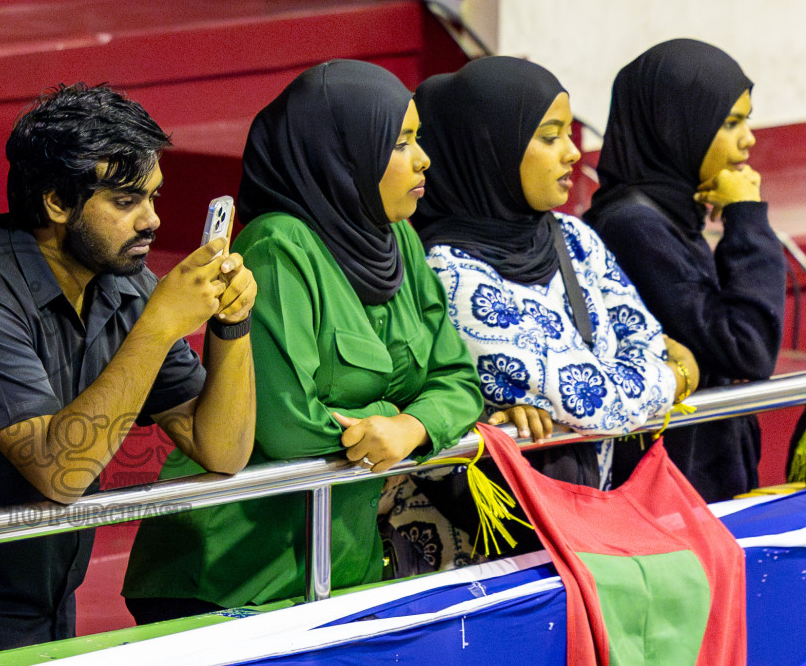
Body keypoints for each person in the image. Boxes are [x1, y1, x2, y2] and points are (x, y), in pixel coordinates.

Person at [0, 83, 257, 666]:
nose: (153, 221)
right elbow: (61, 472)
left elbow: (223, 449)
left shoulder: (124, 284)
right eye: (127, 201)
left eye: (154, 197)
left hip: (42, 602)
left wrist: (231, 327)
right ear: (57, 202)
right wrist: (159, 328)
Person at [123, 61, 483, 620]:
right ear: (344, 150)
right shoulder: (278, 246)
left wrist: (411, 426)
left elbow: (460, 380)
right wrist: (393, 415)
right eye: (402, 142)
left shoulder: (400, 241)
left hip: (339, 560)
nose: (423, 159)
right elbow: (288, 427)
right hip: (228, 571)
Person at [398, 56, 689, 569]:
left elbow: (644, 338)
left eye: (569, 134)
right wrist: (674, 377)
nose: (573, 153)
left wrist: (646, 369)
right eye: (550, 137)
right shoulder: (449, 270)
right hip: (491, 558)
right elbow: (596, 403)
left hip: (587, 529)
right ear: (491, 149)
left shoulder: (571, 235)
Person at [585, 40, 785, 502]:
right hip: (672, 491)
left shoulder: (670, 215)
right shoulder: (634, 226)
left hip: (699, 474)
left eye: (746, 121)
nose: (748, 139)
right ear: (677, 128)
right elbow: (749, 346)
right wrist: (747, 216)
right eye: (730, 123)